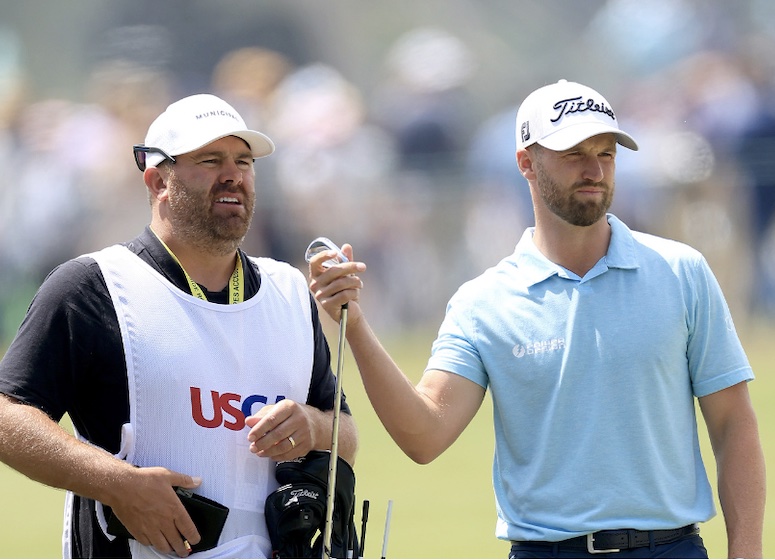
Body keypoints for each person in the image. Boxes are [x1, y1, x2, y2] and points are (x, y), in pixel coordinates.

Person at [308, 80, 765, 558]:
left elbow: (734, 422)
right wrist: (355, 327)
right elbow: (425, 434)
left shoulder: (681, 272)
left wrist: (747, 550)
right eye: (574, 153)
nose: (595, 169)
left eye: (606, 153)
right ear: (525, 162)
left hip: (670, 549)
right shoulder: (483, 301)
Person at [0, 93, 358, 558]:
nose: (233, 174)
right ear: (157, 181)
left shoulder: (288, 291)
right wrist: (118, 485)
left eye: (244, 161)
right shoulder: (92, 287)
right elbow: (9, 416)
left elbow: (345, 435)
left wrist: (312, 425)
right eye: (210, 160)